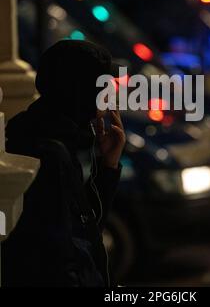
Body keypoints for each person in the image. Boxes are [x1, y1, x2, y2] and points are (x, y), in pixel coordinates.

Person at [2, 40, 126, 287]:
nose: (110, 97)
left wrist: (108, 166)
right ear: (80, 91)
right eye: (103, 87)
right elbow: (60, 258)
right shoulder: (48, 152)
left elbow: (86, 231)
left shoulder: (57, 137)